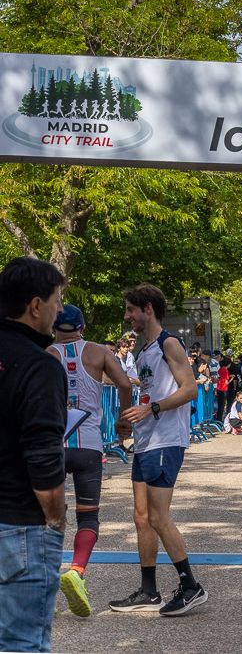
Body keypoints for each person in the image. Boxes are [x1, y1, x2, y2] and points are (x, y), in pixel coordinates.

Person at [111, 284, 207, 616]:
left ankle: (192, 586)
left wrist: (152, 411)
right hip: (146, 440)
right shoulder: (145, 349)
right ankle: (148, 591)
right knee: (141, 518)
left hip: (166, 440)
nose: (127, 317)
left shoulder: (169, 343)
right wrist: (130, 421)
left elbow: (191, 389)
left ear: (147, 309)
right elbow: (150, 394)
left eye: (130, 310)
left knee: (158, 517)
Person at [48, 304, 133, 618]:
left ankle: (44, 586)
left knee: (49, 517)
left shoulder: (46, 354)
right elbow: (124, 384)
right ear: (82, 326)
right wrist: (124, 421)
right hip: (89, 446)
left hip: (53, 445)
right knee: (89, 516)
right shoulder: (98, 352)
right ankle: (77, 571)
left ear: (55, 327)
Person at [0, 257, 68, 651]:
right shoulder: (38, 365)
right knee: (21, 644)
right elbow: (43, 454)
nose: (59, 311)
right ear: (36, 305)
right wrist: (55, 517)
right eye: (57, 300)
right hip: (19, 523)